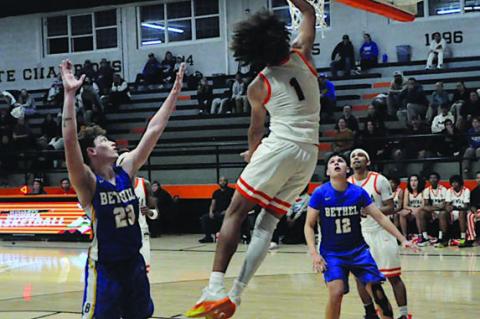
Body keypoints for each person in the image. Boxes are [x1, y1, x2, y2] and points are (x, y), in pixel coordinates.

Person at [185, 3, 320, 318]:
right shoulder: (302, 53)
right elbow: (310, 12)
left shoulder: (258, 85)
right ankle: (236, 295)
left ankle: (215, 289)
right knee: (266, 224)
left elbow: (255, 130)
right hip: (309, 153)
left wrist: (252, 154)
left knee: (234, 212)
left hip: (281, 147)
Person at [60, 58, 186, 319]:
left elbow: (154, 129)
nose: (112, 142)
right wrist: (70, 95)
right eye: (104, 140)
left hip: (134, 264)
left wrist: (174, 94)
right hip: (106, 268)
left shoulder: (125, 170)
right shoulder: (87, 182)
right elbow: (70, 141)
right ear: (92, 151)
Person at [305, 153, 416, 319]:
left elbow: (380, 217)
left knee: (378, 294)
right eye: (332, 162)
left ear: (347, 169)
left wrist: (403, 239)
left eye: (340, 161)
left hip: (358, 251)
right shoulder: (320, 193)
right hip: (332, 253)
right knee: (336, 292)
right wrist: (314, 253)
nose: (336, 163)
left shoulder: (358, 193)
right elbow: (309, 225)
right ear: (327, 171)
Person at [348, 149, 411, 319]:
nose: (356, 158)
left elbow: (391, 207)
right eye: (353, 156)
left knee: (393, 276)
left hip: (382, 232)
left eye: (360, 155)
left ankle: (404, 315)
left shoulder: (379, 180)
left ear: (367, 162)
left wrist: (370, 211)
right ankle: (370, 313)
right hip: (360, 234)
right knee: (361, 278)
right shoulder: (347, 183)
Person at [198, 177, 235, 243]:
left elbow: (233, 203)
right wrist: (210, 212)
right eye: (221, 181)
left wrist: (227, 211)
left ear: (227, 182)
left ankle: (228, 238)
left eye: (224, 181)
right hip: (217, 212)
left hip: (228, 212)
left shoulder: (232, 191)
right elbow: (212, 204)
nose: (222, 182)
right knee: (204, 218)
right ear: (218, 183)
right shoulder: (216, 192)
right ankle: (208, 237)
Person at [419, 172, 448, 247]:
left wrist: (433, 207)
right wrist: (434, 209)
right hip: (432, 212)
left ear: (438, 180)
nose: (433, 179)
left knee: (442, 213)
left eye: (435, 178)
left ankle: (442, 239)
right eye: (431, 178)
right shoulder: (426, 190)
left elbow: (444, 205)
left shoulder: (443, 189)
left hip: (443, 212)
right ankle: (425, 238)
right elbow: (426, 205)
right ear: (429, 180)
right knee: (421, 212)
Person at [445, 175, 470, 247]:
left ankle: (463, 238)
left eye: (456, 182)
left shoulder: (466, 190)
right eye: (452, 182)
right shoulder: (449, 190)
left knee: (461, 213)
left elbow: (465, 206)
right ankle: (443, 238)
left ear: (460, 183)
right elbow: (447, 205)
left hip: (464, 212)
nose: (454, 184)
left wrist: (454, 207)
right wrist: (448, 208)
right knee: (442, 214)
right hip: (453, 212)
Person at [398, 174, 425, 239]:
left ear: (419, 182)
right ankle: (404, 236)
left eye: (415, 180)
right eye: (411, 181)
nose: (413, 183)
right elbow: (405, 205)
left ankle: (420, 235)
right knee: (402, 213)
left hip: (421, 211)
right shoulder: (407, 190)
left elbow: (424, 205)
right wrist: (412, 209)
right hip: (411, 211)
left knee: (418, 213)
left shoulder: (424, 190)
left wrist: (416, 210)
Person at [466, 171, 480, 245]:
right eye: (478, 178)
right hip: (477, 211)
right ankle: (472, 238)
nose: (479, 179)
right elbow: (472, 205)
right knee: (469, 215)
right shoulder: (474, 191)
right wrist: (475, 213)